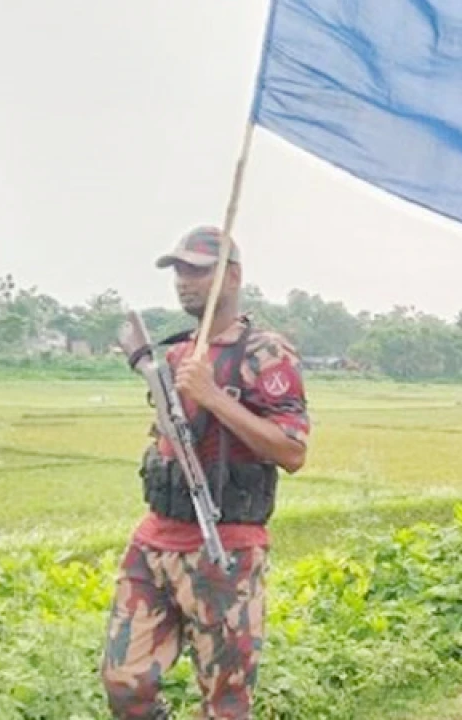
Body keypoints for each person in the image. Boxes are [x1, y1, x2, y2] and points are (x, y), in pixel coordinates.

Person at [100, 226, 310, 720]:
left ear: (231, 277)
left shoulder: (264, 353)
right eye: (178, 270)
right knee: (123, 681)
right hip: (156, 539)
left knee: (226, 703)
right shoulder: (176, 354)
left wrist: (214, 397)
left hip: (225, 547)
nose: (183, 280)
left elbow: (293, 451)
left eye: (197, 270)